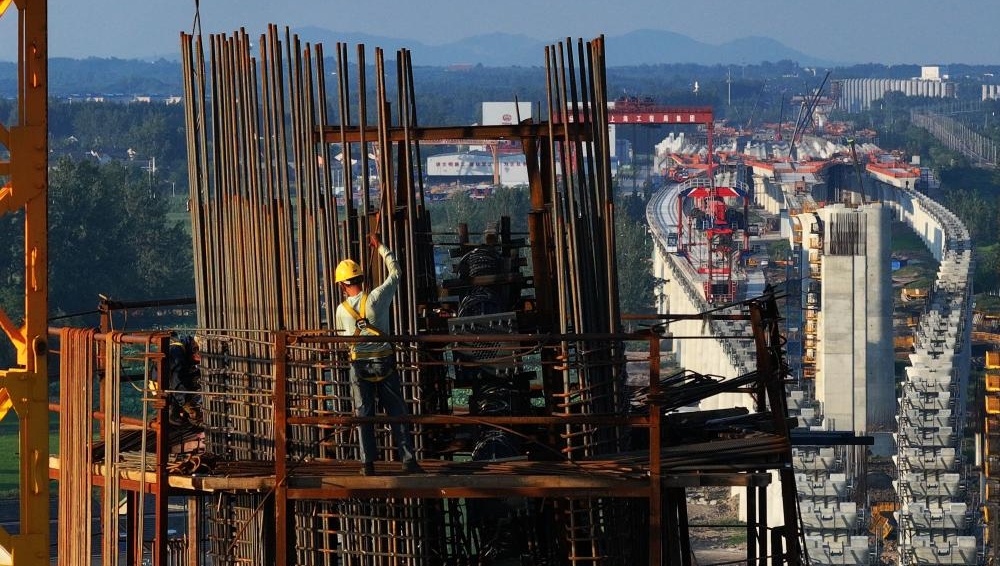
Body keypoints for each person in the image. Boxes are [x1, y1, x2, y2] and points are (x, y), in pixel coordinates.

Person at [334, 234, 422, 476]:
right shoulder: (376, 298)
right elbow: (396, 272)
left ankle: (367, 465)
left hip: (359, 366)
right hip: (384, 362)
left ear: (342, 285)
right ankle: (408, 461)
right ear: (361, 279)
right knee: (397, 412)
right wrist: (381, 247)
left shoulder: (341, 310)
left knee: (364, 415)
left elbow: (344, 341)